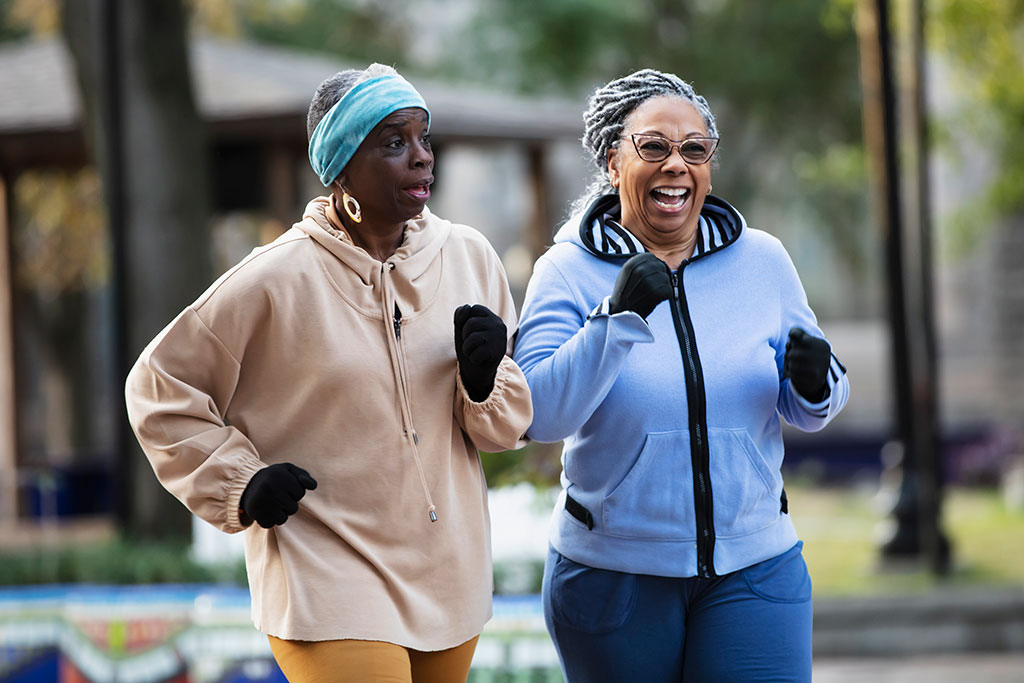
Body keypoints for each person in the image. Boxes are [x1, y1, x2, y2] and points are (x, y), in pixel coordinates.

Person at [125, 63, 533, 683]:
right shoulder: (272, 279)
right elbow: (157, 389)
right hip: (326, 571)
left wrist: (483, 386)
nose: (421, 158)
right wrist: (240, 481)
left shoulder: (470, 257)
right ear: (340, 166)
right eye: (394, 143)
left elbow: (502, 430)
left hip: (449, 574)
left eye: (425, 138)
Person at [513, 68, 850, 682]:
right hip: (614, 577)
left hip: (755, 565)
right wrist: (614, 323)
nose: (677, 164)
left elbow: (813, 404)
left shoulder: (763, 260)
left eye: (695, 150)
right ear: (613, 163)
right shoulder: (564, 271)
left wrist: (813, 381)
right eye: (655, 148)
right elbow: (536, 414)